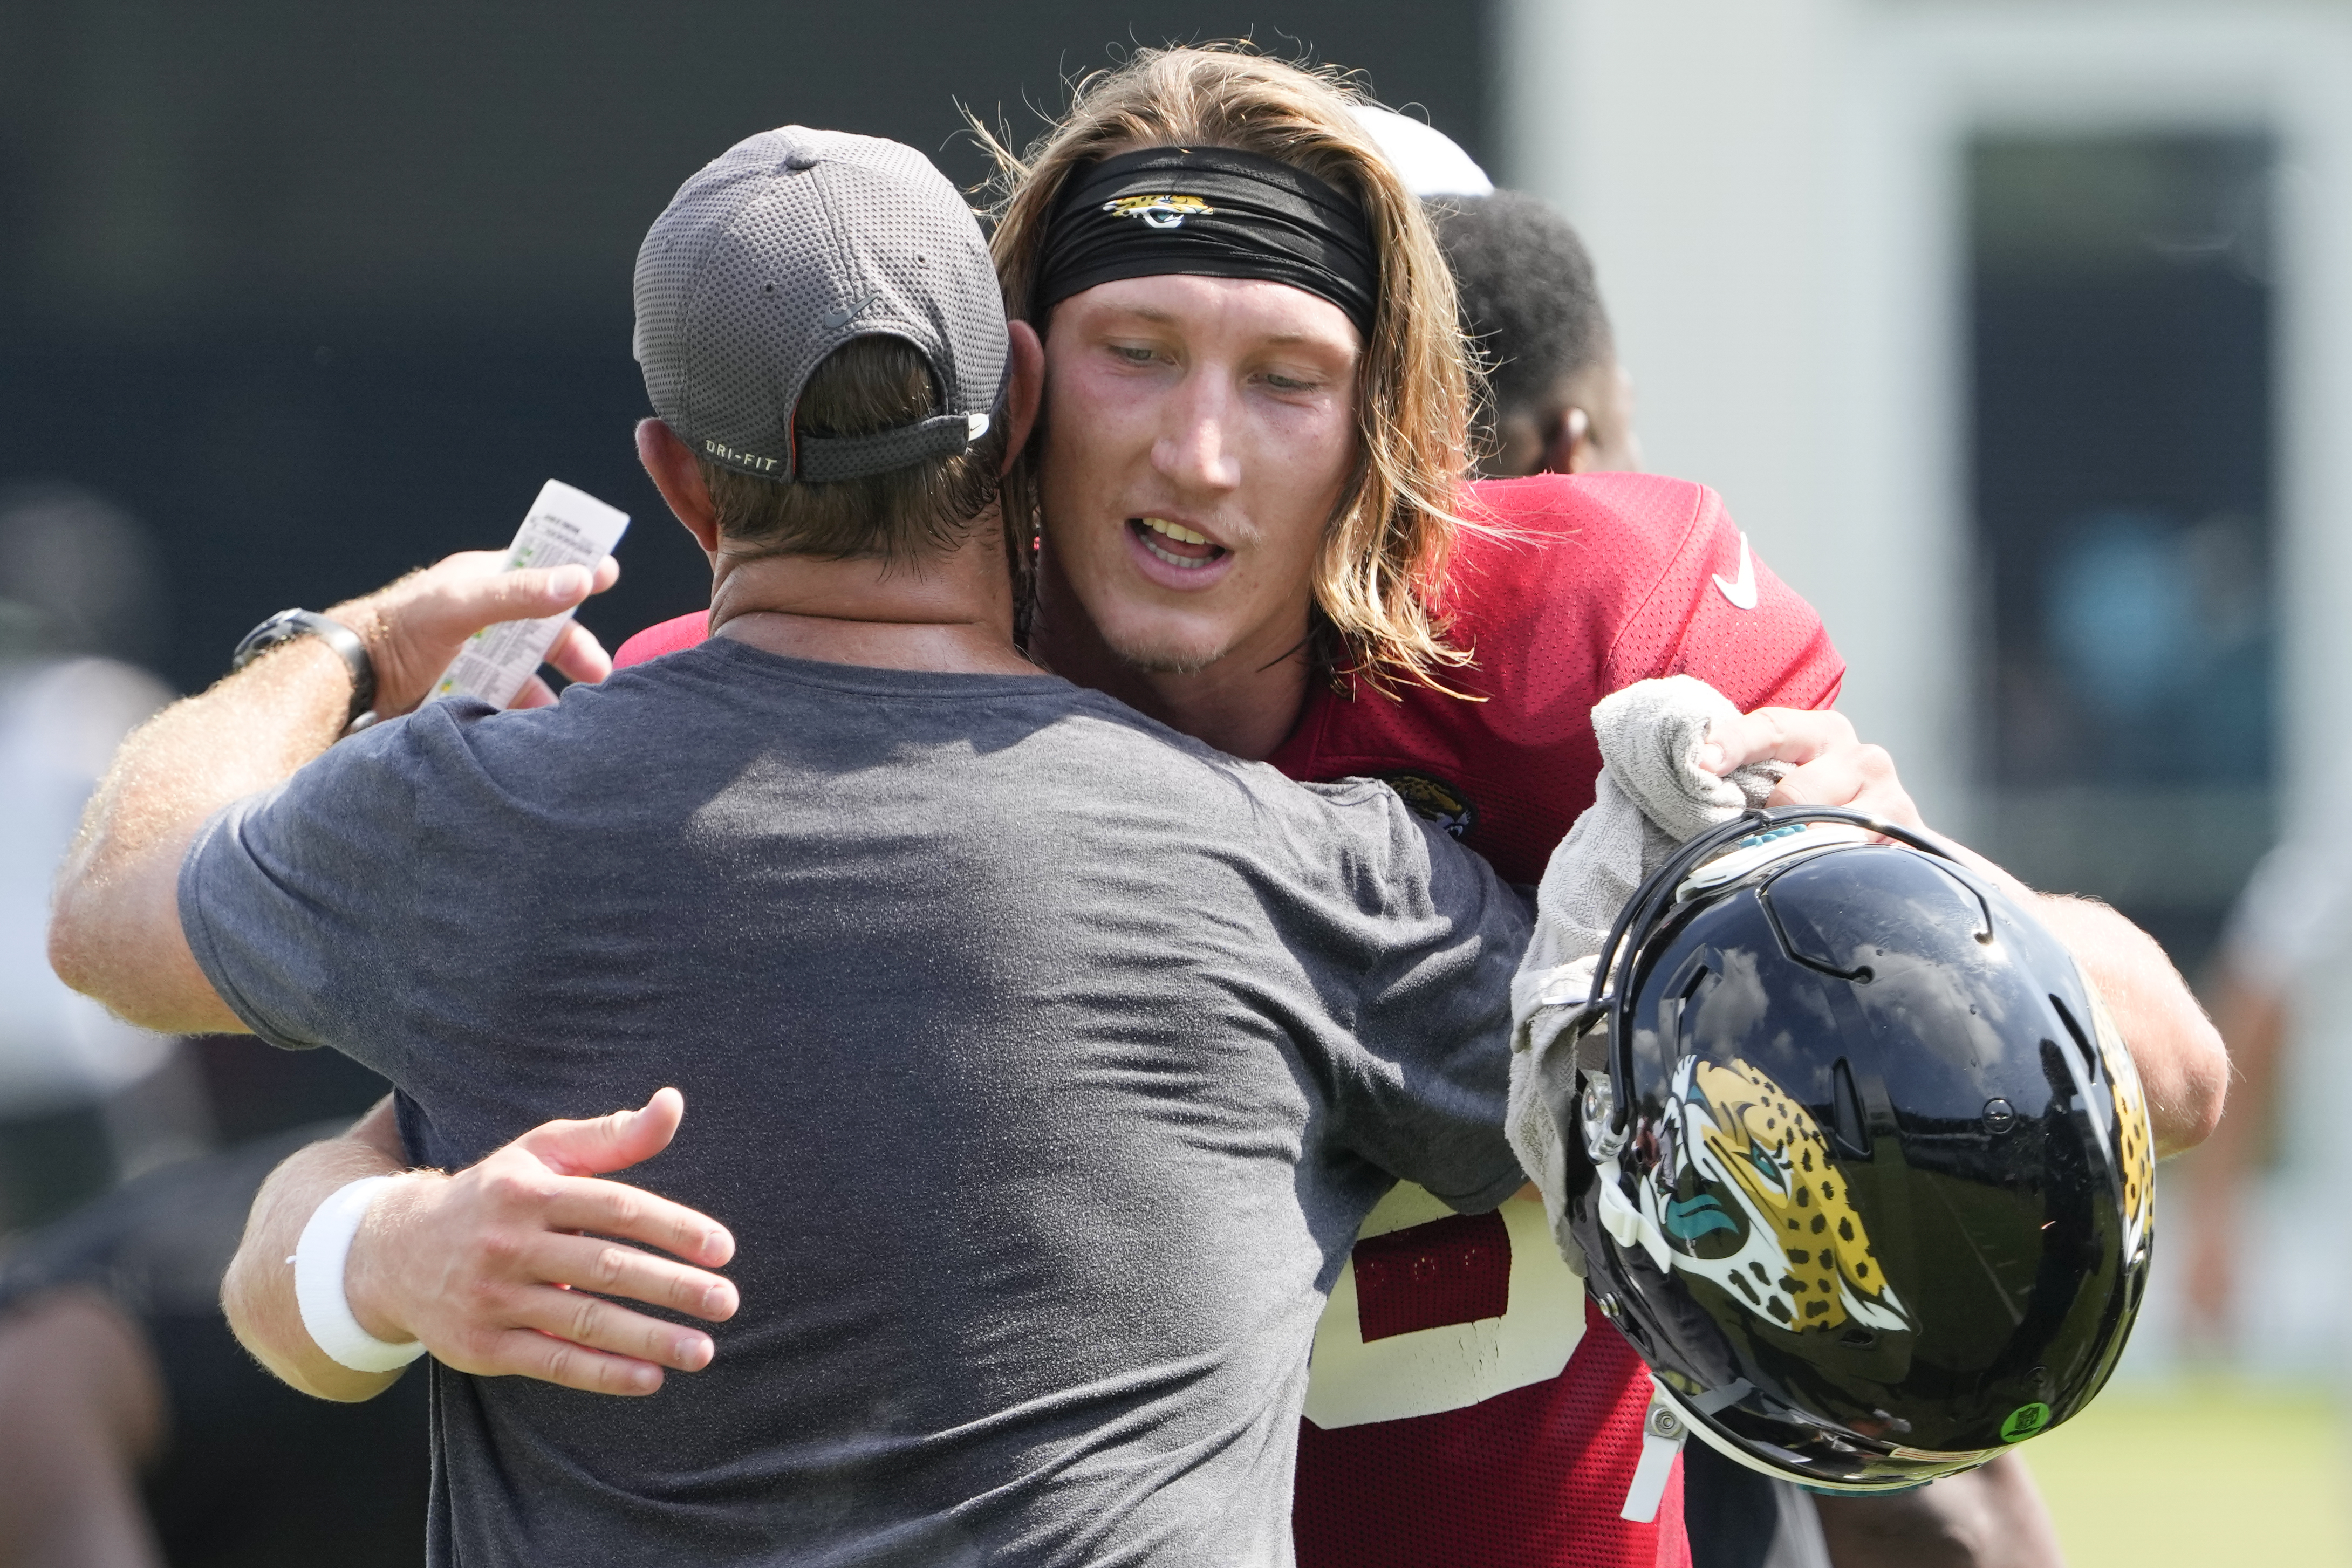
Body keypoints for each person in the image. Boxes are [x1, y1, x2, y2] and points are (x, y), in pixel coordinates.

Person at [212, 44, 2224, 1568]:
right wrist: (383, 1253)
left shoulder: (1573, 654)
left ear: (1392, 425)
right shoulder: (782, 738)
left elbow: (2165, 1058)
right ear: (1013, 392)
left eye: (1282, 375)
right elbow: (338, 1186)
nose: (1197, 445)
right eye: (1133, 355)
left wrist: (1850, 920)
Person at [52, 125, 1564, 1565]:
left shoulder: (470, 817)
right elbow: (1659, 1098)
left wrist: (359, 643)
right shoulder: (1301, 876)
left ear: (675, 478)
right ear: (1025, 401)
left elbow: (105, 911)